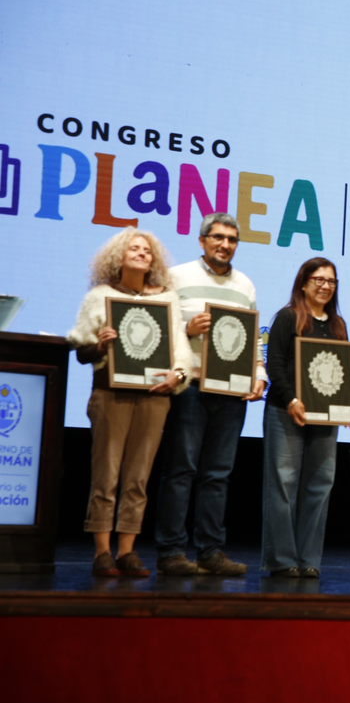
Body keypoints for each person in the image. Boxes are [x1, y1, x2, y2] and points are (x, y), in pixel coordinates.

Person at [66, 227, 190, 577]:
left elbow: (179, 349)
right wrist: (101, 344)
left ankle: (127, 551)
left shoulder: (167, 299)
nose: (141, 253)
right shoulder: (101, 297)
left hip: (154, 397)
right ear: (118, 256)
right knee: (106, 474)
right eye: (134, 248)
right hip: (111, 394)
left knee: (138, 478)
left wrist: (178, 375)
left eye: (146, 250)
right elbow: (82, 351)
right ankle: (102, 552)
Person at [154, 213, 266, 577]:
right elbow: (158, 328)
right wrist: (186, 328)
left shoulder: (245, 285)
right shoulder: (177, 276)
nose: (225, 245)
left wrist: (259, 374)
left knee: (218, 474)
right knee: (180, 470)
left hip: (231, 391)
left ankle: (210, 552)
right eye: (217, 237)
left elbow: (253, 339)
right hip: (190, 385)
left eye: (232, 239)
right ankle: (171, 552)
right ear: (202, 241)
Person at [262, 257, 350, 578]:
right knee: (283, 484)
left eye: (331, 281)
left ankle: (309, 559)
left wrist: (347, 403)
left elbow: (340, 370)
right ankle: (282, 560)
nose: (326, 286)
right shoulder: (288, 317)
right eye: (319, 280)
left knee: (320, 486)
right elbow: (275, 364)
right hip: (285, 411)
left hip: (324, 418)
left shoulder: (337, 324)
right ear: (303, 284)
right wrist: (291, 399)